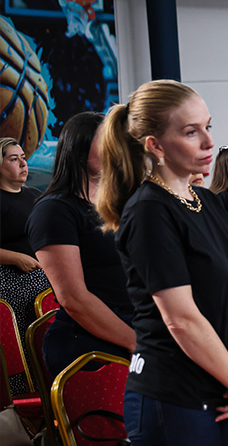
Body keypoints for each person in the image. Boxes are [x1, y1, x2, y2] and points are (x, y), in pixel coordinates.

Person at [96, 80, 228, 445]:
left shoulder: (207, 201)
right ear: (155, 145)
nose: (208, 142)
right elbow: (180, 318)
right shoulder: (149, 210)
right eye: (191, 132)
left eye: (208, 127)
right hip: (174, 397)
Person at [26, 112, 136, 379]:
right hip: (89, 344)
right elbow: (74, 299)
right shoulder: (55, 210)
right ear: (78, 149)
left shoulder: (118, 205)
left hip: (133, 331)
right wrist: (139, 343)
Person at [0, 137, 49, 395]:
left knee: (46, 342)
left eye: (23, 158)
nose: (22, 163)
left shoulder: (34, 195)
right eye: (13, 159)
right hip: (10, 285)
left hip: (44, 281)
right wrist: (17, 258)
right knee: (22, 347)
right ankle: (23, 399)